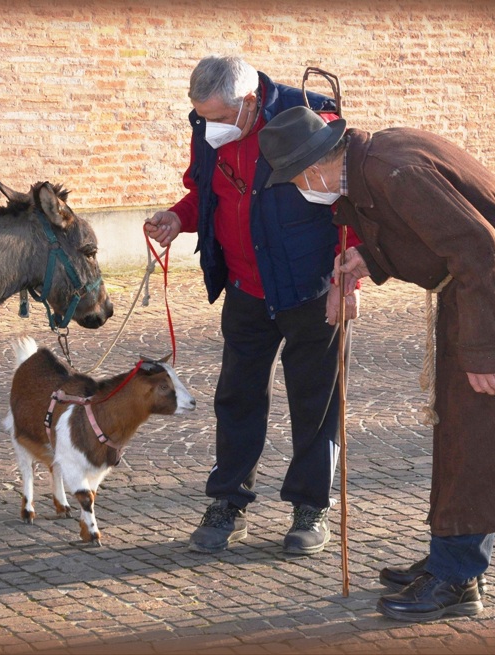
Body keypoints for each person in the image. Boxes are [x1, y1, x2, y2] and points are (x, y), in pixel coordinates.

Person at [258, 106, 495, 621]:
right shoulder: (369, 162)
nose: (298, 189)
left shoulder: (392, 172)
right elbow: (426, 234)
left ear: (313, 169)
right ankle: (452, 553)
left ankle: (458, 578)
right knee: (460, 425)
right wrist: (369, 260)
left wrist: (488, 350)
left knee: (478, 428)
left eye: (295, 179)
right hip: (481, 285)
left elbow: (477, 247)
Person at [143, 55, 360, 557]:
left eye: (218, 117)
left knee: (315, 401)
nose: (209, 127)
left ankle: (310, 507)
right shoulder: (209, 125)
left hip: (311, 289)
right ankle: (227, 503)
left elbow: (348, 203)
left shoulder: (310, 116)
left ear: (247, 103)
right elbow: (206, 192)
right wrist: (179, 218)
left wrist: (345, 283)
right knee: (236, 398)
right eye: (203, 117)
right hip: (245, 287)